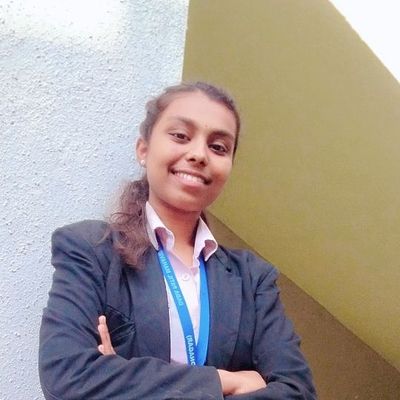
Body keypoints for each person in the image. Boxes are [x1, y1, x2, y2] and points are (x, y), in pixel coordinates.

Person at [39, 82, 317, 399]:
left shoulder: (253, 280)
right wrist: (226, 382)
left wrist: (122, 379)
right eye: (181, 136)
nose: (199, 154)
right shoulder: (91, 250)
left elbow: (298, 392)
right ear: (143, 149)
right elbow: (67, 377)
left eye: (218, 147)